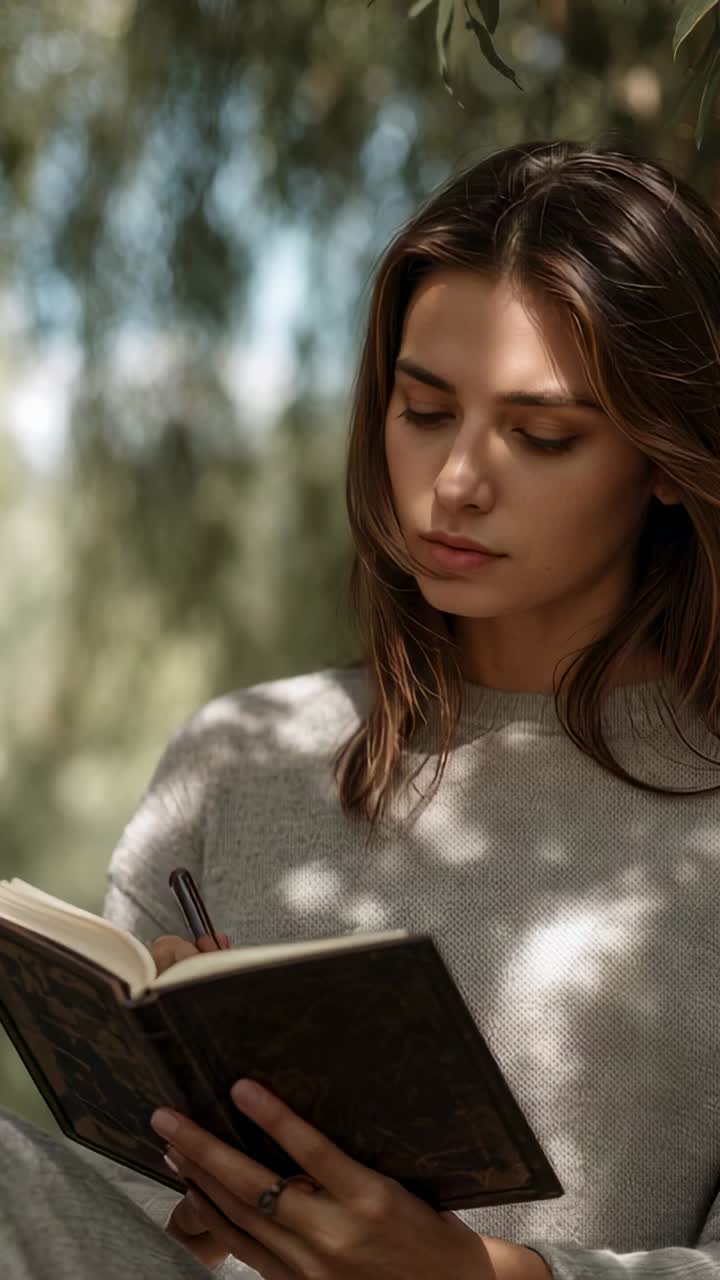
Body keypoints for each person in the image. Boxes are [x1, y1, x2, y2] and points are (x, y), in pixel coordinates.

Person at [3, 134, 720, 1280]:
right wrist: (203, 1176)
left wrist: (480, 1276)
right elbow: (129, 1216)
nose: (455, 483)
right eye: (424, 410)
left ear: (668, 456)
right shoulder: (240, 761)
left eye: (542, 434)